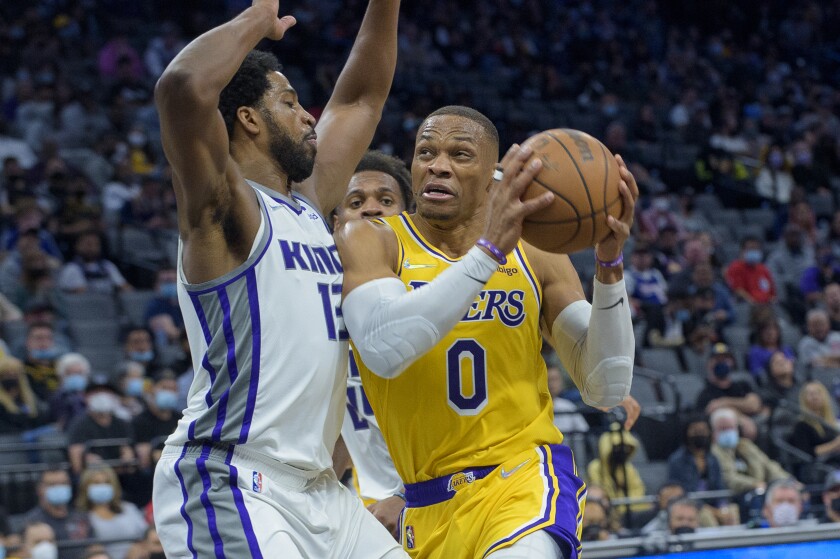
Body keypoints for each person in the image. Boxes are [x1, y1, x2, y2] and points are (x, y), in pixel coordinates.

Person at [150, 1, 404, 557]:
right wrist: (254, 20)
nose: (311, 116)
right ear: (248, 118)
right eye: (290, 103)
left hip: (320, 489)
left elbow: (361, 98)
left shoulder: (311, 205)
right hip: (233, 478)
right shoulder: (226, 210)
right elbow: (181, 89)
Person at [336, 105, 637, 557]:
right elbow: (383, 346)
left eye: (460, 154)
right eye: (426, 152)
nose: (438, 165)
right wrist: (488, 251)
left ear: (494, 174)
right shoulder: (372, 240)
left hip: (522, 479)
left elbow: (606, 385)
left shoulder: (535, 254)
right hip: (425, 503)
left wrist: (609, 267)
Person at [332, 151, 412, 538]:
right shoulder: (327, 306)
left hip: (443, 495)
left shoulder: (433, 291)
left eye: (386, 200)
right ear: (336, 223)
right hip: (372, 510)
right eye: (355, 202)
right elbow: (350, 421)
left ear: (409, 217)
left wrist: (406, 494)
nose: (370, 210)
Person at [709, 407, 792, 495]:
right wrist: (754, 484)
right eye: (723, 429)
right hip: (736, 496)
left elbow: (769, 466)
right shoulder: (713, 452)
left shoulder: (746, 445)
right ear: (713, 432)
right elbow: (728, 478)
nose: (728, 432)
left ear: (737, 429)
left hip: (760, 491)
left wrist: (788, 481)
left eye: (730, 428)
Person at [76, 465, 147, 559]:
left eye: (106, 482)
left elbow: (146, 536)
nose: (102, 486)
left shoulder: (129, 509)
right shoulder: (82, 517)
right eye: (96, 483)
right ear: (86, 487)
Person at [695, 343, 762, 440]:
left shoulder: (743, 385)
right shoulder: (705, 394)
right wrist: (741, 409)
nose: (721, 362)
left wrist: (724, 402)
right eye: (717, 359)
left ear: (732, 362)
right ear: (709, 364)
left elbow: (754, 405)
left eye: (725, 359)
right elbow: (709, 411)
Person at [22, 467, 91, 559]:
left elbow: (94, 547)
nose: (59, 488)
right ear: (39, 489)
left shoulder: (80, 516)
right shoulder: (31, 522)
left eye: (63, 483)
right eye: (52, 485)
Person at [790, 381, 840, 466]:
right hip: (818, 467)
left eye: (817, 393)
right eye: (810, 394)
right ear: (804, 399)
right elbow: (806, 453)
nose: (814, 396)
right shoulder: (801, 425)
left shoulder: (832, 423)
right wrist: (835, 444)